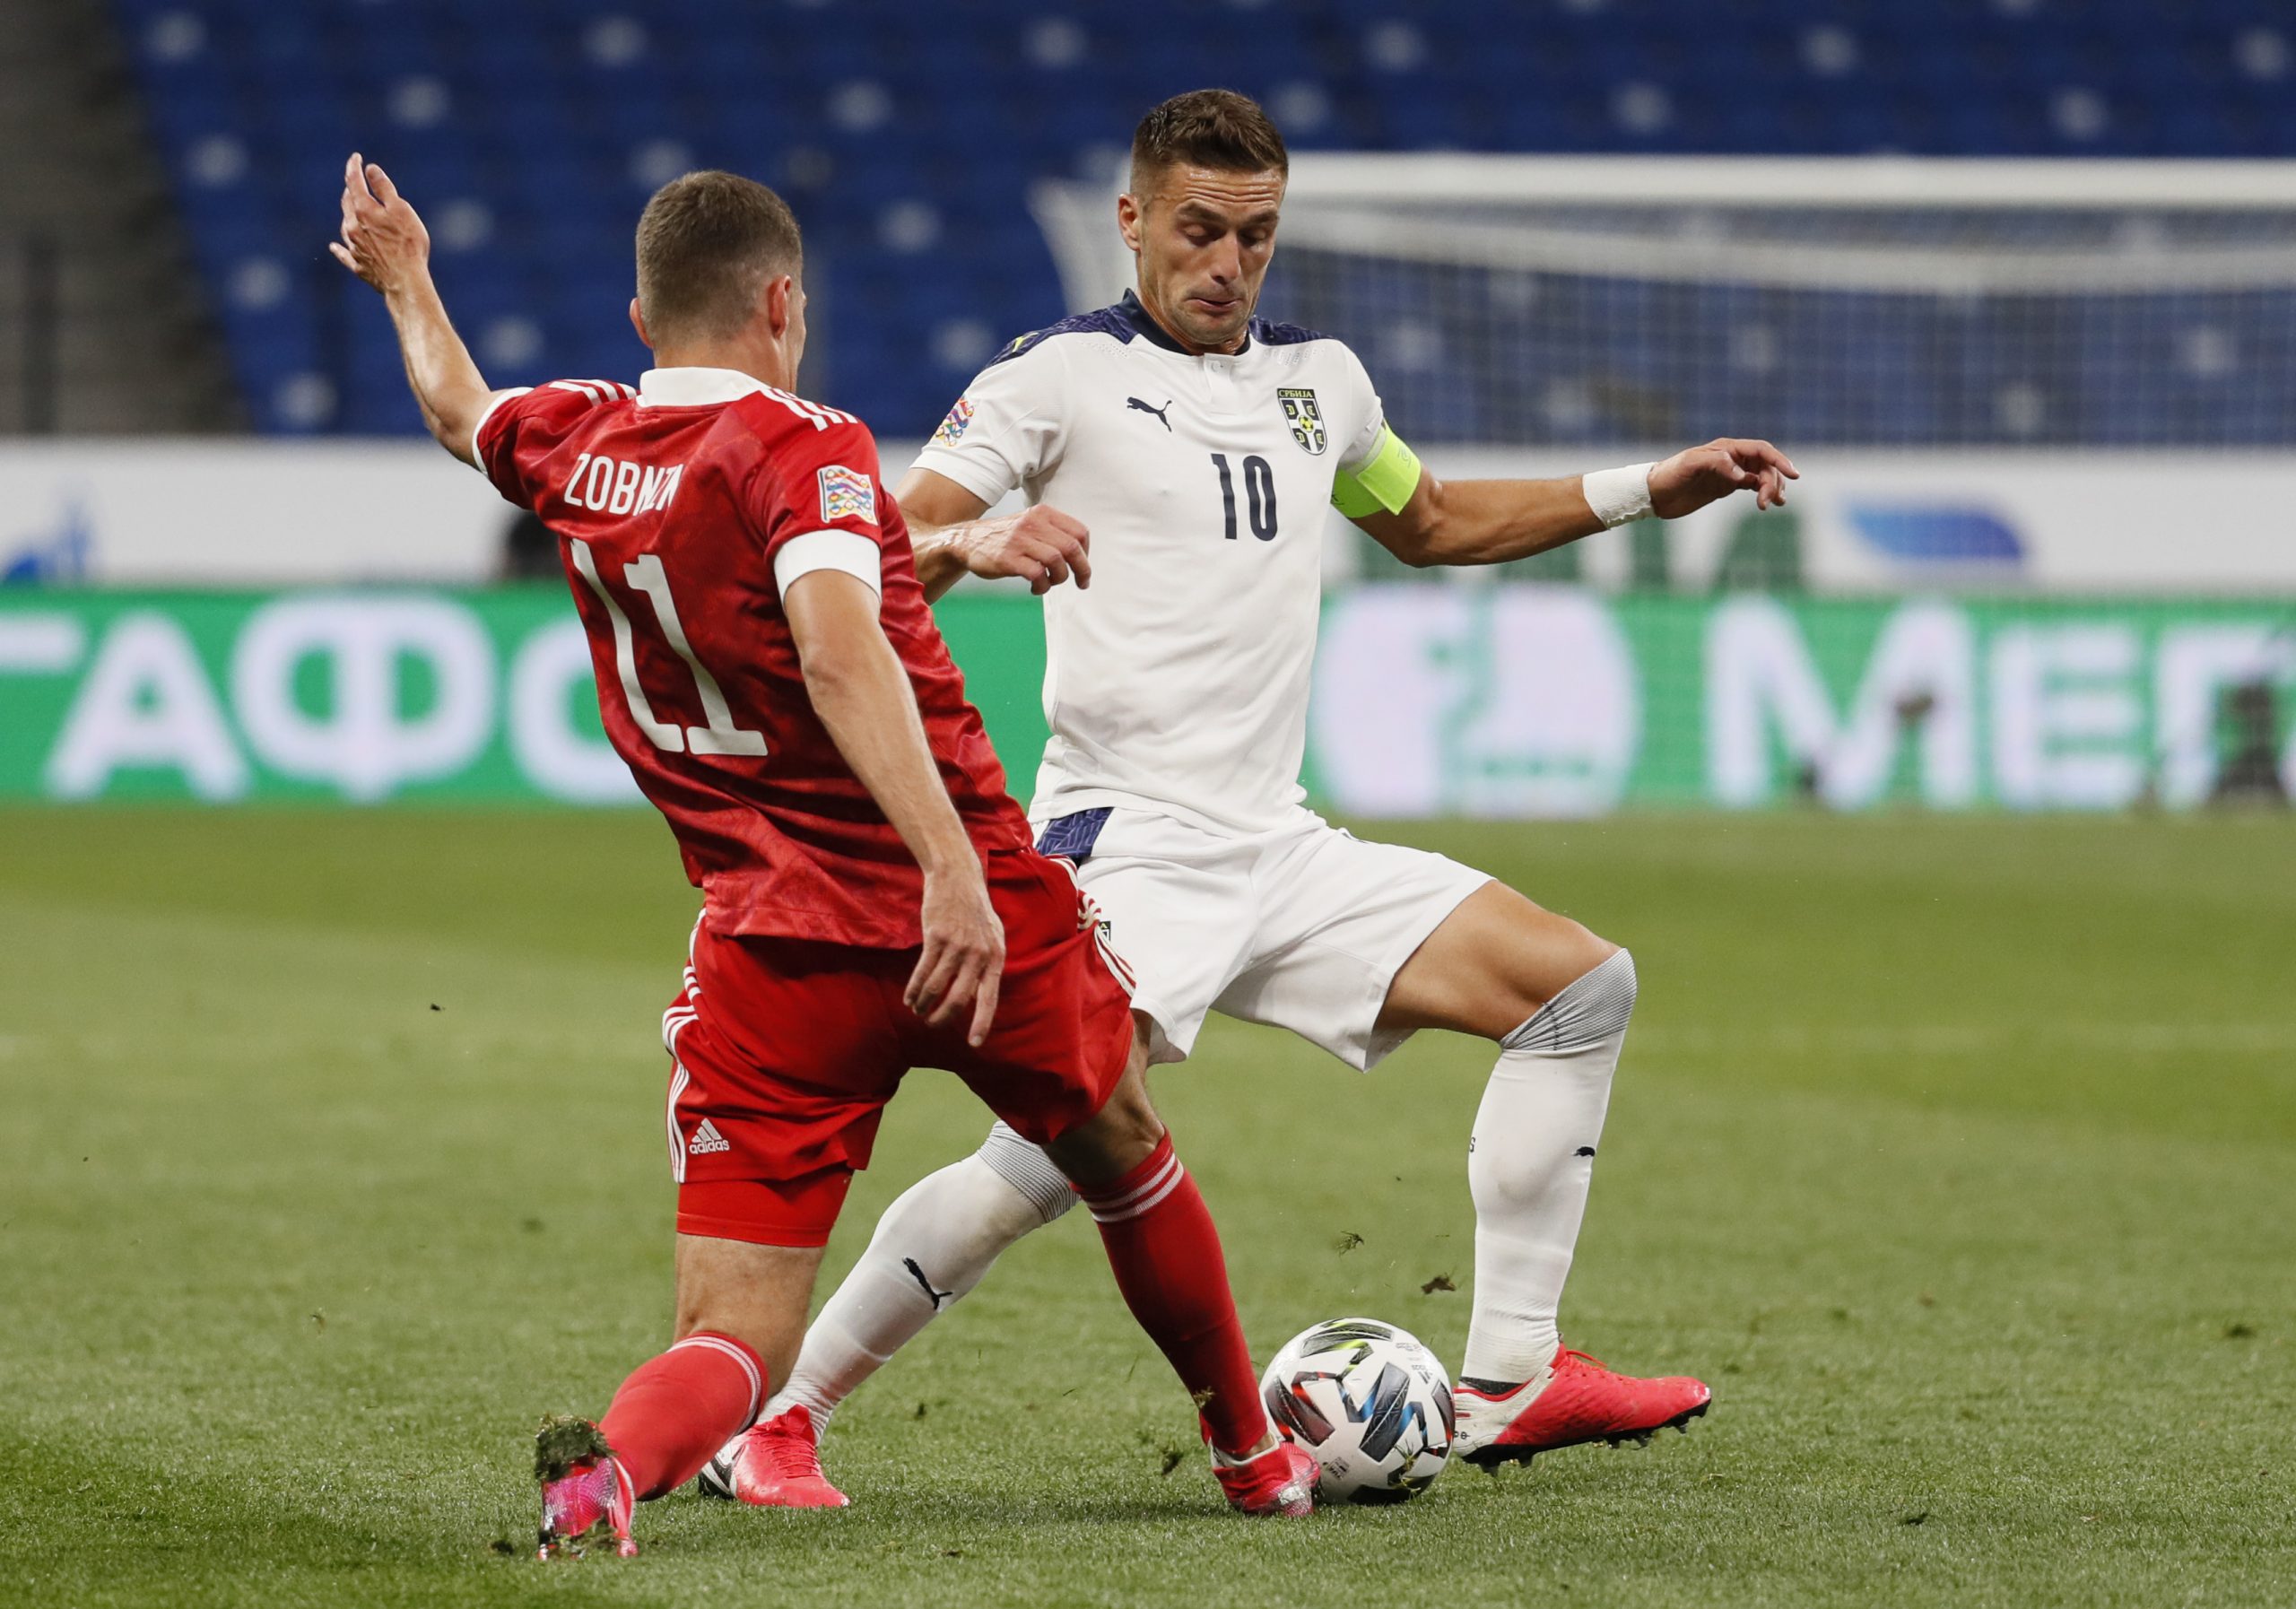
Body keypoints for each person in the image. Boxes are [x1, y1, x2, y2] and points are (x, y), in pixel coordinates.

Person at [714, 89, 1798, 1505]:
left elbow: (1431, 523)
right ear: (1134, 221)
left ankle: (1514, 1374)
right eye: (1201, 229)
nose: (1228, 262)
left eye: (1258, 237)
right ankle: (780, 1418)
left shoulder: (1323, 384)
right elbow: (882, 547)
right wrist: (987, 533)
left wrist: (1650, 487)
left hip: (1279, 846)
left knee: (1578, 985)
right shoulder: (1055, 378)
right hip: (1128, 846)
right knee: (1048, 1159)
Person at [328, 152, 1320, 1554]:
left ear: (639, 319)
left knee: (734, 1336)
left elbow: (455, 409)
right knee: (1121, 1149)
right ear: (783, 303)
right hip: (964, 908)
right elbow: (840, 648)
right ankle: (1252, 1452)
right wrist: (954, 873)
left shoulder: (573, 439)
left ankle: (606, 1467)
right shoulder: (806, 446)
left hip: (766, 944)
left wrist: (408, 279)